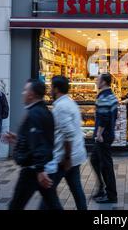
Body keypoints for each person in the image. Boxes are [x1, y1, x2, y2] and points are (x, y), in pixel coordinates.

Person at [5, 79, 62, 210]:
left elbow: (40, 143)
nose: (22, 93)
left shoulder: (34, 113)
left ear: (31, 94)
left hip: (33, 169)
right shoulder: (44, 110)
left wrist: (40, 170)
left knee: (16, 205)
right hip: (43, 166)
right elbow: (39, 138)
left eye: (25, 90)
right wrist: (19, 138)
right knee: (53, 205)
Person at [40, 76, 87, 210]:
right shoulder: (70, 102)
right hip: (74, 155)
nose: (49, 91)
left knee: (48, 192)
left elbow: (69, 134)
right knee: (77, 191)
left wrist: (67, 158)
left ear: (56, 88)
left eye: (51, 87)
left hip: (64, 158)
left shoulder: (61, 107)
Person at [90, 73, 118, 204]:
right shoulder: (111, 95)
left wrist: (99, 134)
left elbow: (104, 118)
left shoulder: (103, 97)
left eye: (98, 79)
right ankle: (101, 187)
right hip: (108, 134)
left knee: (106, 165)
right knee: (95, 159)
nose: (96, 81)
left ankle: (111, 195)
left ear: (104, 82)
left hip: (103, 136)